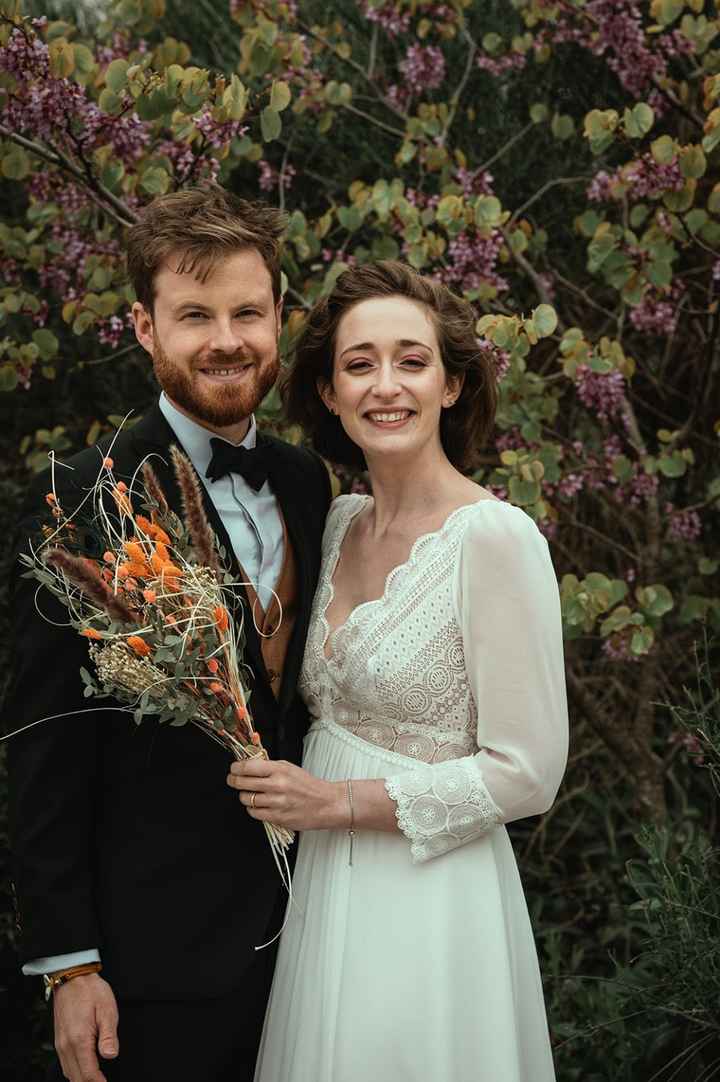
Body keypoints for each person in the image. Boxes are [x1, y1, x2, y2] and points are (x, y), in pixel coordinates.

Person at [6, 185, 331, 1082]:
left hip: (324, 939)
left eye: (247, 312)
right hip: (157, 962)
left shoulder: (312, 482)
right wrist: (70, 964)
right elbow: (44, 749)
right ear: (145, 327)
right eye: (195, 315)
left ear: (278, 319)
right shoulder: (78, 502)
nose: (226, 339)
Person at [227, 260, 569, 1082]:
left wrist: (337, 802)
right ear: (330, 393)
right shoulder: (336, 521)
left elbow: (529, 774)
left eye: (412, 361)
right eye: (359, 364)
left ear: (450, 386)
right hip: (323, 892)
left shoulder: (495, 538)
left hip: (432, 894)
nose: (387, 386)